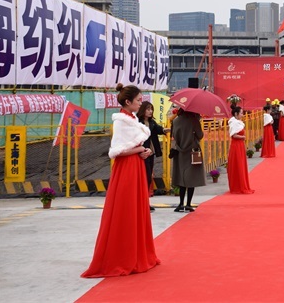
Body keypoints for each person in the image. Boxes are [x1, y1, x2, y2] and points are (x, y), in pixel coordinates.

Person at [81, 83, 159, 278]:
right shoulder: (121, 121)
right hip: (127, 169)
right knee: (126, 210)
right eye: (139, 100)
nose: (141, 103)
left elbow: (134, 146)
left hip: (136, 166)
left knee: (136, 209)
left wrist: (144, 150)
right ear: (127, 101)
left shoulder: (131, 119)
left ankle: (138, 254)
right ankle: (123, 256)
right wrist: (140, 149)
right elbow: (117, 151)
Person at [171, 109, 206, 212]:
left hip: (180, 151)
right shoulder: (193, 120)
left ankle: (181, 203)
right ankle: (188, 204)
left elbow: (174, 136)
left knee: (181, 177)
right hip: (193, 151)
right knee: (192, 177)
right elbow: (200, 135)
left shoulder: (176, 121)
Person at [137, 101, 170, 212]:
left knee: (148, 179)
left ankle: (145, 202)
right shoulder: (138, 122)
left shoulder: (151, 122)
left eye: (151, 109)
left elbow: (159, 129)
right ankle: (141, 203)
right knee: (144, 178)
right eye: (148, 109)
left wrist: (166, 130)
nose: (150, 111)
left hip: (150, 154)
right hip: (141, 154)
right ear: (142, 110)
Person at [227, 106, 254, 194]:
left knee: (241, 164)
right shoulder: (234, 123)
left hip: (240, 145)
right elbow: (234, 135)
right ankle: (237, 186)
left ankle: (241, 184)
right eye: (241, 113)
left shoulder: (238, 122)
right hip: (236, 145)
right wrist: (243, 137)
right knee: (237, 164)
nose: (242, 115)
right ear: (236, 114)